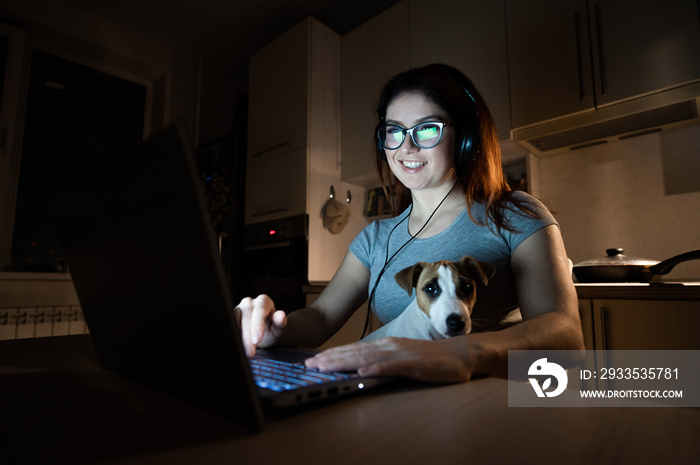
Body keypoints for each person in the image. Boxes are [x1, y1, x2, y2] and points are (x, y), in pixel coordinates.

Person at [236, 63, 584, 383]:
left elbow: (566, 337)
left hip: (492, 408)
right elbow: (320, 319)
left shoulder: (514, 214)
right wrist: (271, 329)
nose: (407, 146)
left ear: (465, 139)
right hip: (398, 412)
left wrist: (461, 352)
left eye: (427, 128)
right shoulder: (375, 238)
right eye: (395, 131)